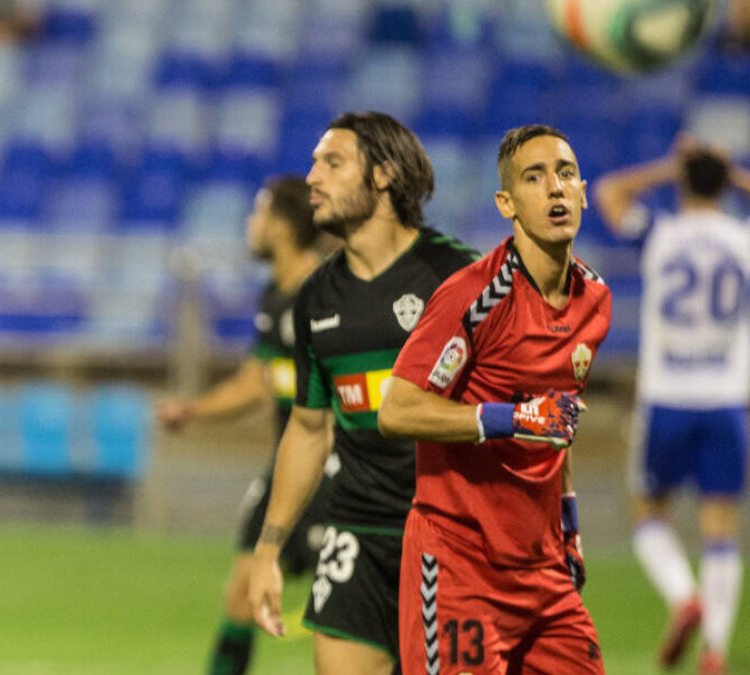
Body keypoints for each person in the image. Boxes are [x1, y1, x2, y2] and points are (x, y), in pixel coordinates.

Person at [247, 111, 477, 675]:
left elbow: (515, 407)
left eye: (332, 162)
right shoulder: (317, 297)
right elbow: (308, 428)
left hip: (452, 537)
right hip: (358, 533)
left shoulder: (458, 277)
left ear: (382, 176)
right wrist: (269, 548)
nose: (312, 178)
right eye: (313, 162)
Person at [377, 124, 610, 674]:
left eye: (566, 174)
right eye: (535, 177)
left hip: (545, 571)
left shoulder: (595, 300)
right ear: (507, 202)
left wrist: (570, 527)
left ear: (582, 191)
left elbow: (558, 422)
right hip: (461, 567)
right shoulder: (474, 297)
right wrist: (509, 418)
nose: (555, 189)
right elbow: (398, 408)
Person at [156, 175, 334, 675]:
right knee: (241, 593)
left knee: (354, 609)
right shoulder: (276, 295)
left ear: (280, 226)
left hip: (338, 474)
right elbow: (257, 382)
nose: (250, 226)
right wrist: (192, 411)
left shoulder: (327, 294)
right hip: (284, 468)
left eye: (258, 215)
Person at [594, 136, 750, 675]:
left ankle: (685, 597)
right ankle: (713, 651)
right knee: (721, 528)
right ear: (724, 186)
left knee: (649, 514)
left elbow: (608, 192)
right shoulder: (742, 239)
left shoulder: (660, 235)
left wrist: (668, 167)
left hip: (667, 399)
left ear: (684, 182)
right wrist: (733, 174)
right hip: (727, 401)